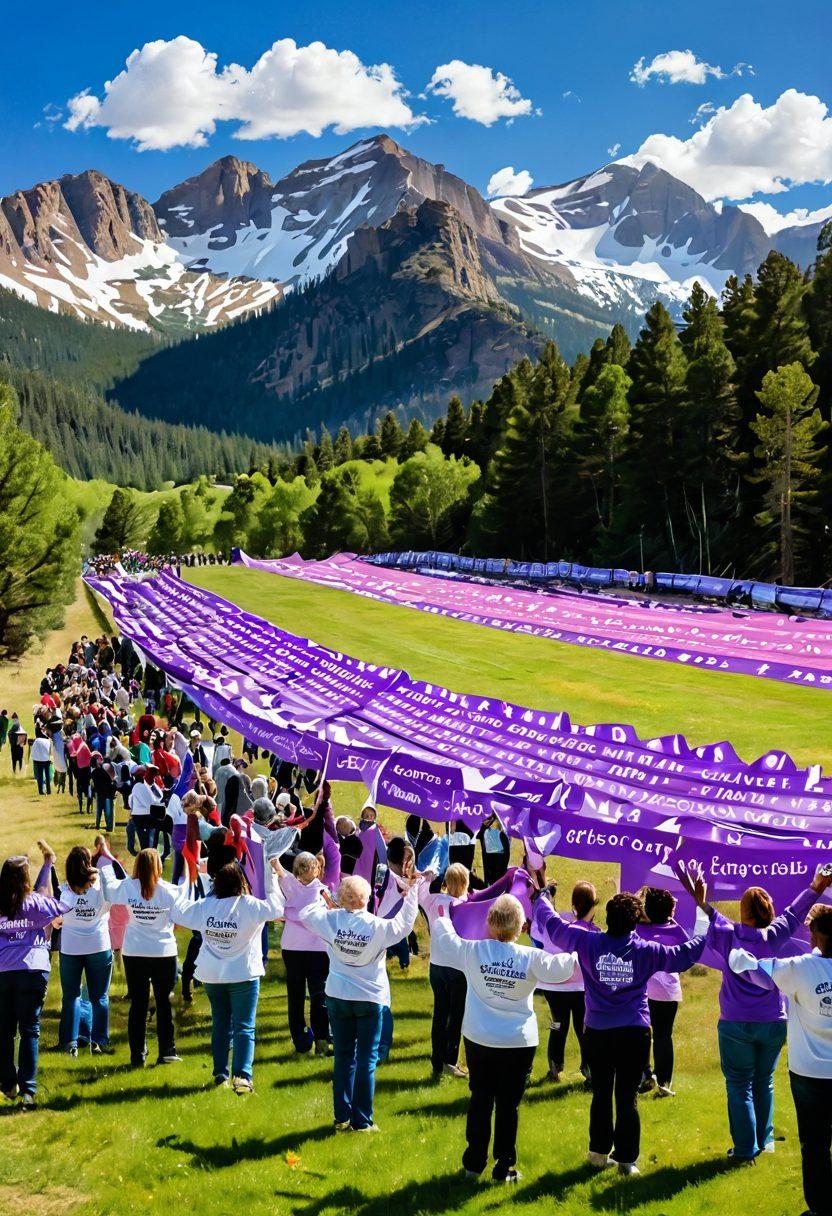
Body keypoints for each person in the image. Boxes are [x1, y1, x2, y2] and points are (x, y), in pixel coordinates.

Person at [533, 876, 711, 1176]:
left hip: (598, 1033)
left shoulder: (587, 941)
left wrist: (541, 897)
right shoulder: (646, 951)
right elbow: (687, 954)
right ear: (634, 923)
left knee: (601, 1093)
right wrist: (704, 913)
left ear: (608, 919)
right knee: (626, 1098)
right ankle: (627, 1161)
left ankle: (598, 1154)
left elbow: (552, 925)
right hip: (633, 1034)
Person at [432, 894, 577, 1183]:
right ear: (522, 927)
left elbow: (447, 940)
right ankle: (503, 1167)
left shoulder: (473, 951)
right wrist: (578, 950)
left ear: (489, 923)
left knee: (481, 1099)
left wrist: (441, 913)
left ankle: (473, 1165)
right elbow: (562, 968)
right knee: (508, 1105)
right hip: (517, 1042)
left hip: (480, 1038)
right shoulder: (530, 957)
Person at [701, 870, 824, 1162]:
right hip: (772, 1023)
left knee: (739, 1084)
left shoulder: (728, 934)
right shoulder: (774, 934)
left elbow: (713, 920)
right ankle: (764, 1142)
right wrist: (815, 888)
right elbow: (796, 912)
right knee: (763, 1081)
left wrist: (703, 903)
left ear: (743, 912)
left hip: (735, 1024)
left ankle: (745, 1150)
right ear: (768, 912)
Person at [728, 881, 832, 1216]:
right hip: (812, 1073)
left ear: (816, 935)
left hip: (809, 1074)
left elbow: (759, 975)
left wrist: (740, 959)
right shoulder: (802, 965)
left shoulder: (801, 967)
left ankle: (819, 1209)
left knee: (814, 1145)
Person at [299, 872, 421, 1132]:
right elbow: (405, 924)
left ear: (343, 898)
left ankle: (342, 1118)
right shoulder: (377, 926)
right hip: (368, 998)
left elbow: (306, 914)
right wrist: (412, 895)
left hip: (338, 995)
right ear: (366, 898)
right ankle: (362, 1121)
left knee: (343, 1057)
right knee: (365, 1059)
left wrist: (325, 900)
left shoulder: (330, 919)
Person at [174, 860, 284, 1092]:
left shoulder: (205, 906)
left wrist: (185, 883)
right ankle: (242, 1077)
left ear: (216, 884)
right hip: (243, 975)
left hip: (213, 976)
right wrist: (271, 877)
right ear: (241, 882)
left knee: (221, 1024)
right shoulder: (250, 905)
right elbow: (277, 908)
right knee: (244, 1027)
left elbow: (179, 912)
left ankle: (220, 1075)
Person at [0, 845, 83, 1107]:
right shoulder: (35, 903)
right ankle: (28, 1092)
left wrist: (48, 865)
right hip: (33, 970)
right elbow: (62, 907)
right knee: (30, 1031)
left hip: (3, 973)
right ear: (26, 878)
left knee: (4, 1032)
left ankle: (8, 1082)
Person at [100, 849, 191, 1067]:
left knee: (138, 1004)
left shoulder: (128, 887)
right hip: (163, 953)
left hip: (135, 952)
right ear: (159, 866)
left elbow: (108, 890)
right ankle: (167, 1051)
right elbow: (185, 890)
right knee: (164, 1002)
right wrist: (187, 864)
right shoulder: (169, 890)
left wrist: (105, 866)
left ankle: (137, 1056)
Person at [276, 840, 340, 1056]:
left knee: (295, 996)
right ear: (314, 869)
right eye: (316, 866)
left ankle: (301, 1041)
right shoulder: (324, 893)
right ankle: (321, 1039)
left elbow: (276, 866)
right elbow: (334, 914)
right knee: (318, 995)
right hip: (316, 949)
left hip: (292, 948)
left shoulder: (287, 884)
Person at [534, 880, 599, 1084]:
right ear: (593, 904)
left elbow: (539, 926)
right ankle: (589, 1070)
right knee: (583, 1029)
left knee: (557, 1025)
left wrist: (546, 896)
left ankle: (554, 1068)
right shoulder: (594, 933)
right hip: (581, 990)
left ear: (573, 903)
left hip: (554, 988)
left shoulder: (558, 924)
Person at [57, 847, 114, 1056]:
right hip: (98, 945)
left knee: (71, 996)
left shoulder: (64, 890)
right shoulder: (99, 887)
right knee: (99, 996)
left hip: (71, 947)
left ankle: (69, 1043)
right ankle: (98, 1041)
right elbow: (111, 897)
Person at [419, 862, 470, 1079]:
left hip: (437, 966)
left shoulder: (434, 900)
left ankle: (436, 1063)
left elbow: (421, 894)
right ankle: (450, 1059)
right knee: (455, 1015)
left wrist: (429, 878)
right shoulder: (466, 906)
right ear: (465, 883)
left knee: (440, 1014)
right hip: (458, 967)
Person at [637, 886, 689, 1097]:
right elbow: (687, 955)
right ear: (669, 911)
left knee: (642, 1033)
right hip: (668, 991)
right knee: (663, 1036)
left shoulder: (639, 929)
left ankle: (645, 1075)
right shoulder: (676, 931)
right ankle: (664, 1081)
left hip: (644, 990)